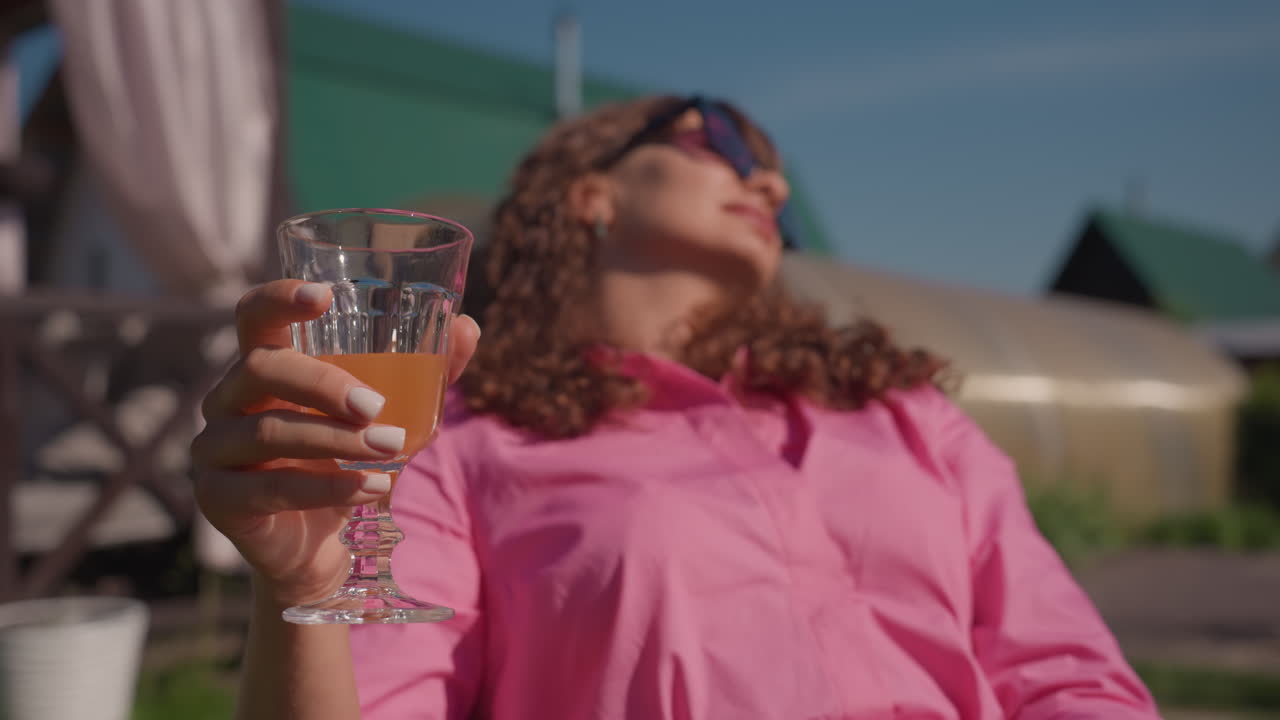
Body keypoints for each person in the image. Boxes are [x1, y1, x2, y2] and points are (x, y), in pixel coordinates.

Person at [193, 95, 1162, 719]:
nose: (769, 181)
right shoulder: (462, 448)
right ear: (591, 195)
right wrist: (303, 590)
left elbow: (1066, 675)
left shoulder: (907, 414)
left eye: (775, 175)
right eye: (723, 143)